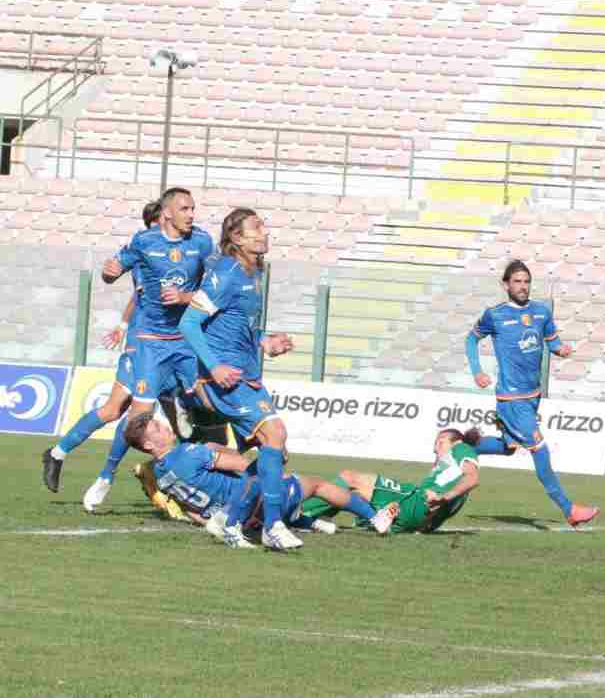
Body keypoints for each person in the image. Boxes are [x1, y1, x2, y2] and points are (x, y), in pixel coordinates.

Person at [79, 188, 214, 512]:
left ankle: (212, 480)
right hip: (151, 343)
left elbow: (216, 285)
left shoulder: (202, 242)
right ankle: (105, 477)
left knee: (210, 407)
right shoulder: (144, 242)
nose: (191, 214)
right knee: (138, 418)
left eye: (193, 208)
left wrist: (185, 297)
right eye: (185, 208)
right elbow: (113, 271)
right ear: (166, 213)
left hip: (185, 337)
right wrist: (108, 272)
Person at [178, 207, 303, 551]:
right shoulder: (226, 271)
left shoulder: (255, 271)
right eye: (257, 227)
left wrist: (266, 341)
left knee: (271, 455)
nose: (265, 231)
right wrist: (214, 366)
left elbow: (240, 326)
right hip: (225, 379)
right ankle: (272, 526)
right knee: (275, 434)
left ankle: (229, 521)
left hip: (246, 376)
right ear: (235, 237)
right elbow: (188, 323)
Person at [122, 414, 395, 549]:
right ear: (148, 444)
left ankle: (306, 522)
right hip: (254, 506)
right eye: (157, 428)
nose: (165, 426)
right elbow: (243, 466)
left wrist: (210, 523)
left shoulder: (159, 475)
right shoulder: (188, 453)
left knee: (288, 497)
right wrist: (273, 472)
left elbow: (191, 510)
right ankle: (374, 517)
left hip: (233, 518)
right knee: (316, 484)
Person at [465, 260, 599, 528]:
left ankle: (465, 447)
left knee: (510, 447)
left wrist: (561, 350)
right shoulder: (495, 314)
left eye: (526, 281)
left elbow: (551, 340)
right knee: (539, 448)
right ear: (506, 284)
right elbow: (471, 338)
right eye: (517, 281)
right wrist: (477, 371)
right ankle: (569, 508)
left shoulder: (541, 311)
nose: (523, 286)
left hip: (532, 394)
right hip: (511, 398)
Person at [43, 200, 162, 496]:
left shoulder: (179, 252)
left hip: (168, 343)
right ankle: (105, 476)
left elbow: (139, 296)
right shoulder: (147, 250)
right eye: (162, 221)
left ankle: (58, 454)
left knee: (114, 410)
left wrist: (121, 325)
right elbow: (138, 292)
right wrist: (125, 327)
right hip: (144, 343)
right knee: (127, 413)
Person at [299, 427, 482, 534]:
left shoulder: (461, 448)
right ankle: (314, 519)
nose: (436, 450)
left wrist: (445, 496)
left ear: (450, 440)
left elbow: (472, 478)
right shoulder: (451, 477)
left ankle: (298, 515)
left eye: (439, 444)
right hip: (414, 516)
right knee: (356, 495)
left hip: (416, 500)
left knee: (350, 478)